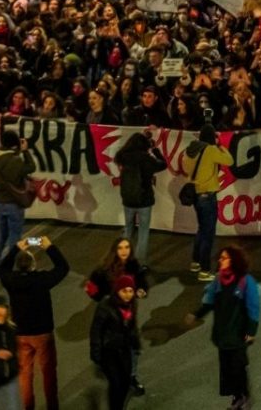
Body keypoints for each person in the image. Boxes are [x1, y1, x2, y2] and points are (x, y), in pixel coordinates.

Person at [0, 236, 69, 410]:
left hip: (21, 334)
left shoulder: (11, 280)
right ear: (33, 265)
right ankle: (52, 406)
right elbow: (63, 268)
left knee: (25, 375)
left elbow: (1, 269)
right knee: (48, 373)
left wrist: (15, 248)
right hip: (43, 333)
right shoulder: (42, 280)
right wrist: (50, 247)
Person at [185, 245, 260, 410]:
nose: (220, 260)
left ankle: (244, 395)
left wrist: (251, 331)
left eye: (224, 258)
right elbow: (209, 301)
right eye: (221, 258)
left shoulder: (245, 281)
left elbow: (253, 307)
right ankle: (236, 396)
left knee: (238, 366)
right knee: (226, 369)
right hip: (222, 334)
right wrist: (197, 315)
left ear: (234, 260)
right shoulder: (218, 280)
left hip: (238, 334)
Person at [85, 238, 150, 396]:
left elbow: (142, 283)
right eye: (120, 248)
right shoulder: (104, 269)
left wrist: (141, 290)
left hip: (129, 313)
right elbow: (91, 288)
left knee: (133, 345)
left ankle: (131, 377)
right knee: (113, 344)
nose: (124, 251)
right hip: (110, 314)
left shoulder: (134, 266)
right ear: (114, 250)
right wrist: (104, 299)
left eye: (127, 247)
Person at [183, 123, 234, 282]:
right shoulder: (210, 150)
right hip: (208, 195)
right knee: (208, 234)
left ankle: (195, 262)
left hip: (196, 195)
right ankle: (205, 270)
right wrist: (219, 145)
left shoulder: (189, 150)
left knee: (201, 229)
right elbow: (229, 160)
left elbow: (186, 168)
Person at [90, 274, 140, 410]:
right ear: (117, 291)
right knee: (116, 383)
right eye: (124, 291)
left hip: (124, 349)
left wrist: (136, 343)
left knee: (125, 382)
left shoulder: (131, 305)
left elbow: (132, 326)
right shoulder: (106, 305)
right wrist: (96, 353)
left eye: (130, 291)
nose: (128, 295)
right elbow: (96, 329)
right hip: (109, 351)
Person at [117, 130, 166, 266]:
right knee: (143, 231)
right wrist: (155, 150)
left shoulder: (123, 157)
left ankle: (123, 259)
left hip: (128, 199)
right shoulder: (146, 159)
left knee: (128, 228)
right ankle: (140, 263)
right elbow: (163, 164)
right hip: (144, 200)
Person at [0, 129, 36, 268]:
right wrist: (25, 151)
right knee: (15, 235)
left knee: (1, 232)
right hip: (13, 203)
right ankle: (10, 263)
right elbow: (31, 167)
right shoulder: (16, 160)